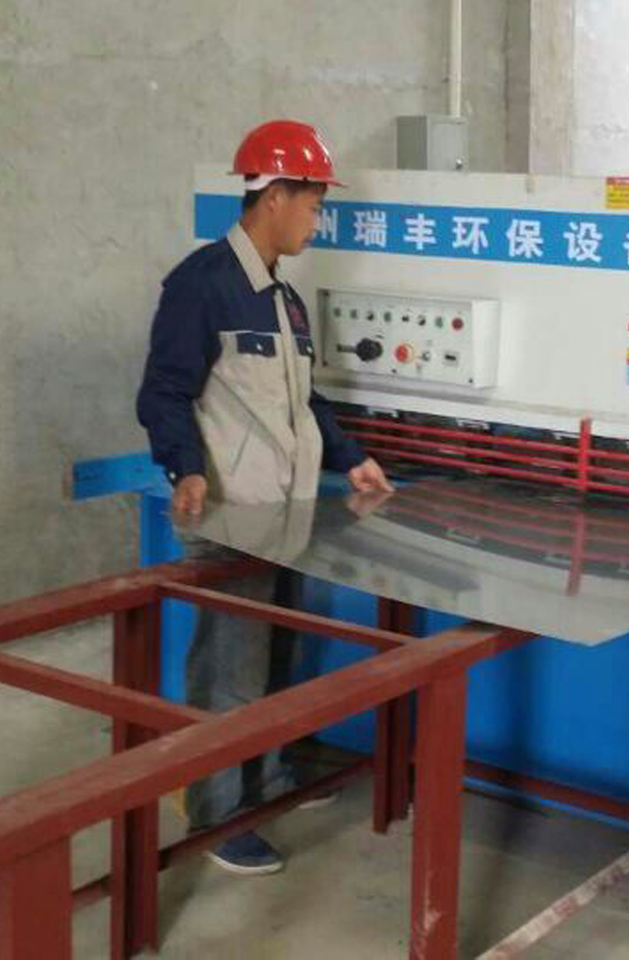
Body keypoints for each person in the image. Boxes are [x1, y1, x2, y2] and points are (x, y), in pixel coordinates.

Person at [137, 119, 393, 875]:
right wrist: (185, 468)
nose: (318, 219)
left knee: (280, 654)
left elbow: (303, 403)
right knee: (231, 671)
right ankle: (217, 815)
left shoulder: (284, 300)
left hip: (288, 516)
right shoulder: (202, 285)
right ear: (274, 195)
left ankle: (270, 780)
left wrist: (352, 460)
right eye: (313, 204)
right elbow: (163, 391)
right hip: (231, 517)